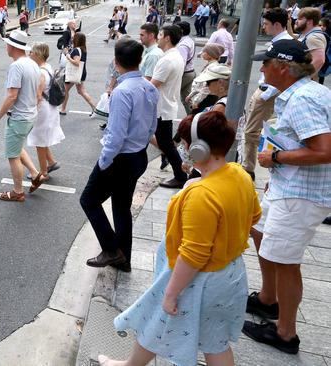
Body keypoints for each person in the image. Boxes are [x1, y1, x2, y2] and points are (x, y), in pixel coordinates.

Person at [99, 111, 261, 366]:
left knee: (157, 319)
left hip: (198, 280)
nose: (183, 148)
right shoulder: (240, 174)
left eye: (185, 143)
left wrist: (171, 293)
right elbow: (254, 217)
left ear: (198, 148)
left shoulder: (201, 194)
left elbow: (194, 254)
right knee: (215, 342)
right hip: (230, 275)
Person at [242, 39, 331, 355]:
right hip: (289, 186)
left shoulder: (303, 99)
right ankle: (268, 300)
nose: (262, 68)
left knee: (286, 260)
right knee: (260, 230)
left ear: (282, 68)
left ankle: (285, 333)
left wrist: (276, 160)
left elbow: (324, 151)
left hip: (302, 194)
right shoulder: (301, 93)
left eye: (266, 63)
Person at [81, 38, 159, 272]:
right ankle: (123, 258)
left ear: (116, 62)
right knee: (121, 206)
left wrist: (104, 162)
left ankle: (111, 249)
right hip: (138, 155)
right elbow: (152, 125)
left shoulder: (122, 91)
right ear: (140, 60)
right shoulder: (149, 87)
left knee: (89, 200)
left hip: (120, 158)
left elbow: (116, 135)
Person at [0, 30, 43, 202]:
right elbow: (38, 88)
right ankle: (35, 174)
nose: (6, 46)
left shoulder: (16, 66)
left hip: (19, 117)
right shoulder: (32, 63)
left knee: (12, 155)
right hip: (30, 115)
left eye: (7, 44)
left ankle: (18, 191)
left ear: (12, 46)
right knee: (17, 148)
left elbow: (12, 96)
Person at [242, 7, 293, 180]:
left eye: (266, 24)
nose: (264, 27)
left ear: (277, 24)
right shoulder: (278, 41)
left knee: (251, 132)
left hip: (268, 93)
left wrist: (267, 93)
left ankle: (248, 169)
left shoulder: (283, 44)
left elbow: (283, 73)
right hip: (264, 90)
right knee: (251, 130)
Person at [152, 25, 187, 188]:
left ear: (167, 38)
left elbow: (153, 85)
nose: (157, 37)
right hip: (167, 105)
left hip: (162, 108)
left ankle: (180, 176)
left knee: (166, 144)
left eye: (159, 34)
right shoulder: (175, 56)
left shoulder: (167, 60)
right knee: (165, 142)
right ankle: (180, 173)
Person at [26, 42, 64, 186]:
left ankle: (43, 172)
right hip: (50, 108)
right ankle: (52, 162)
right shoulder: (47, 67)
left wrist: (30, 110)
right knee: (42, 138)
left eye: (31, 52)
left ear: (37, 54)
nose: (29, 55)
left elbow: (38, 95)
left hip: (43, 109)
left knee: (39, 141)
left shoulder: (41, 72)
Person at [59, 33, 96, 115]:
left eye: (74, 37)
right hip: (80, 73)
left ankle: (63, 109)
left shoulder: (76, 50)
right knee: (81, 91)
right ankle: (95, 108)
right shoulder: (83, 49)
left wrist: (68, 56)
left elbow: (76, 63)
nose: (72, 38)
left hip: (74, 73)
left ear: (77, 39)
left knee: (65, 90)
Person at [288, 7, 328, 77]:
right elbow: (291, 36)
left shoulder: (314, 37)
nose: (296, 21)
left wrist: (303, 78)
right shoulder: (307, 34)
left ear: (309, 22)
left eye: (300, 19)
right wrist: (288, 23)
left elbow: (319, 60)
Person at [185, 43, 225, 111]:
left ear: (211, 55)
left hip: (207, 99)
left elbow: (206, 88)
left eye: (204, 52)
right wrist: (191, 95)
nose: (202, 53)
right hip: (204, 98)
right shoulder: (210, 65)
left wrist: (196, 101)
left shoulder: (213, 68)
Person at [176, 21, 196, 114]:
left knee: (169, 95)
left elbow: (181, 63)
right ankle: (192, 118)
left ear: (181, 30)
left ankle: (192, 119)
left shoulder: (182, 45)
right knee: (186, 99)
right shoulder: (189, 40)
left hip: (185, 74)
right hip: (190, 72)